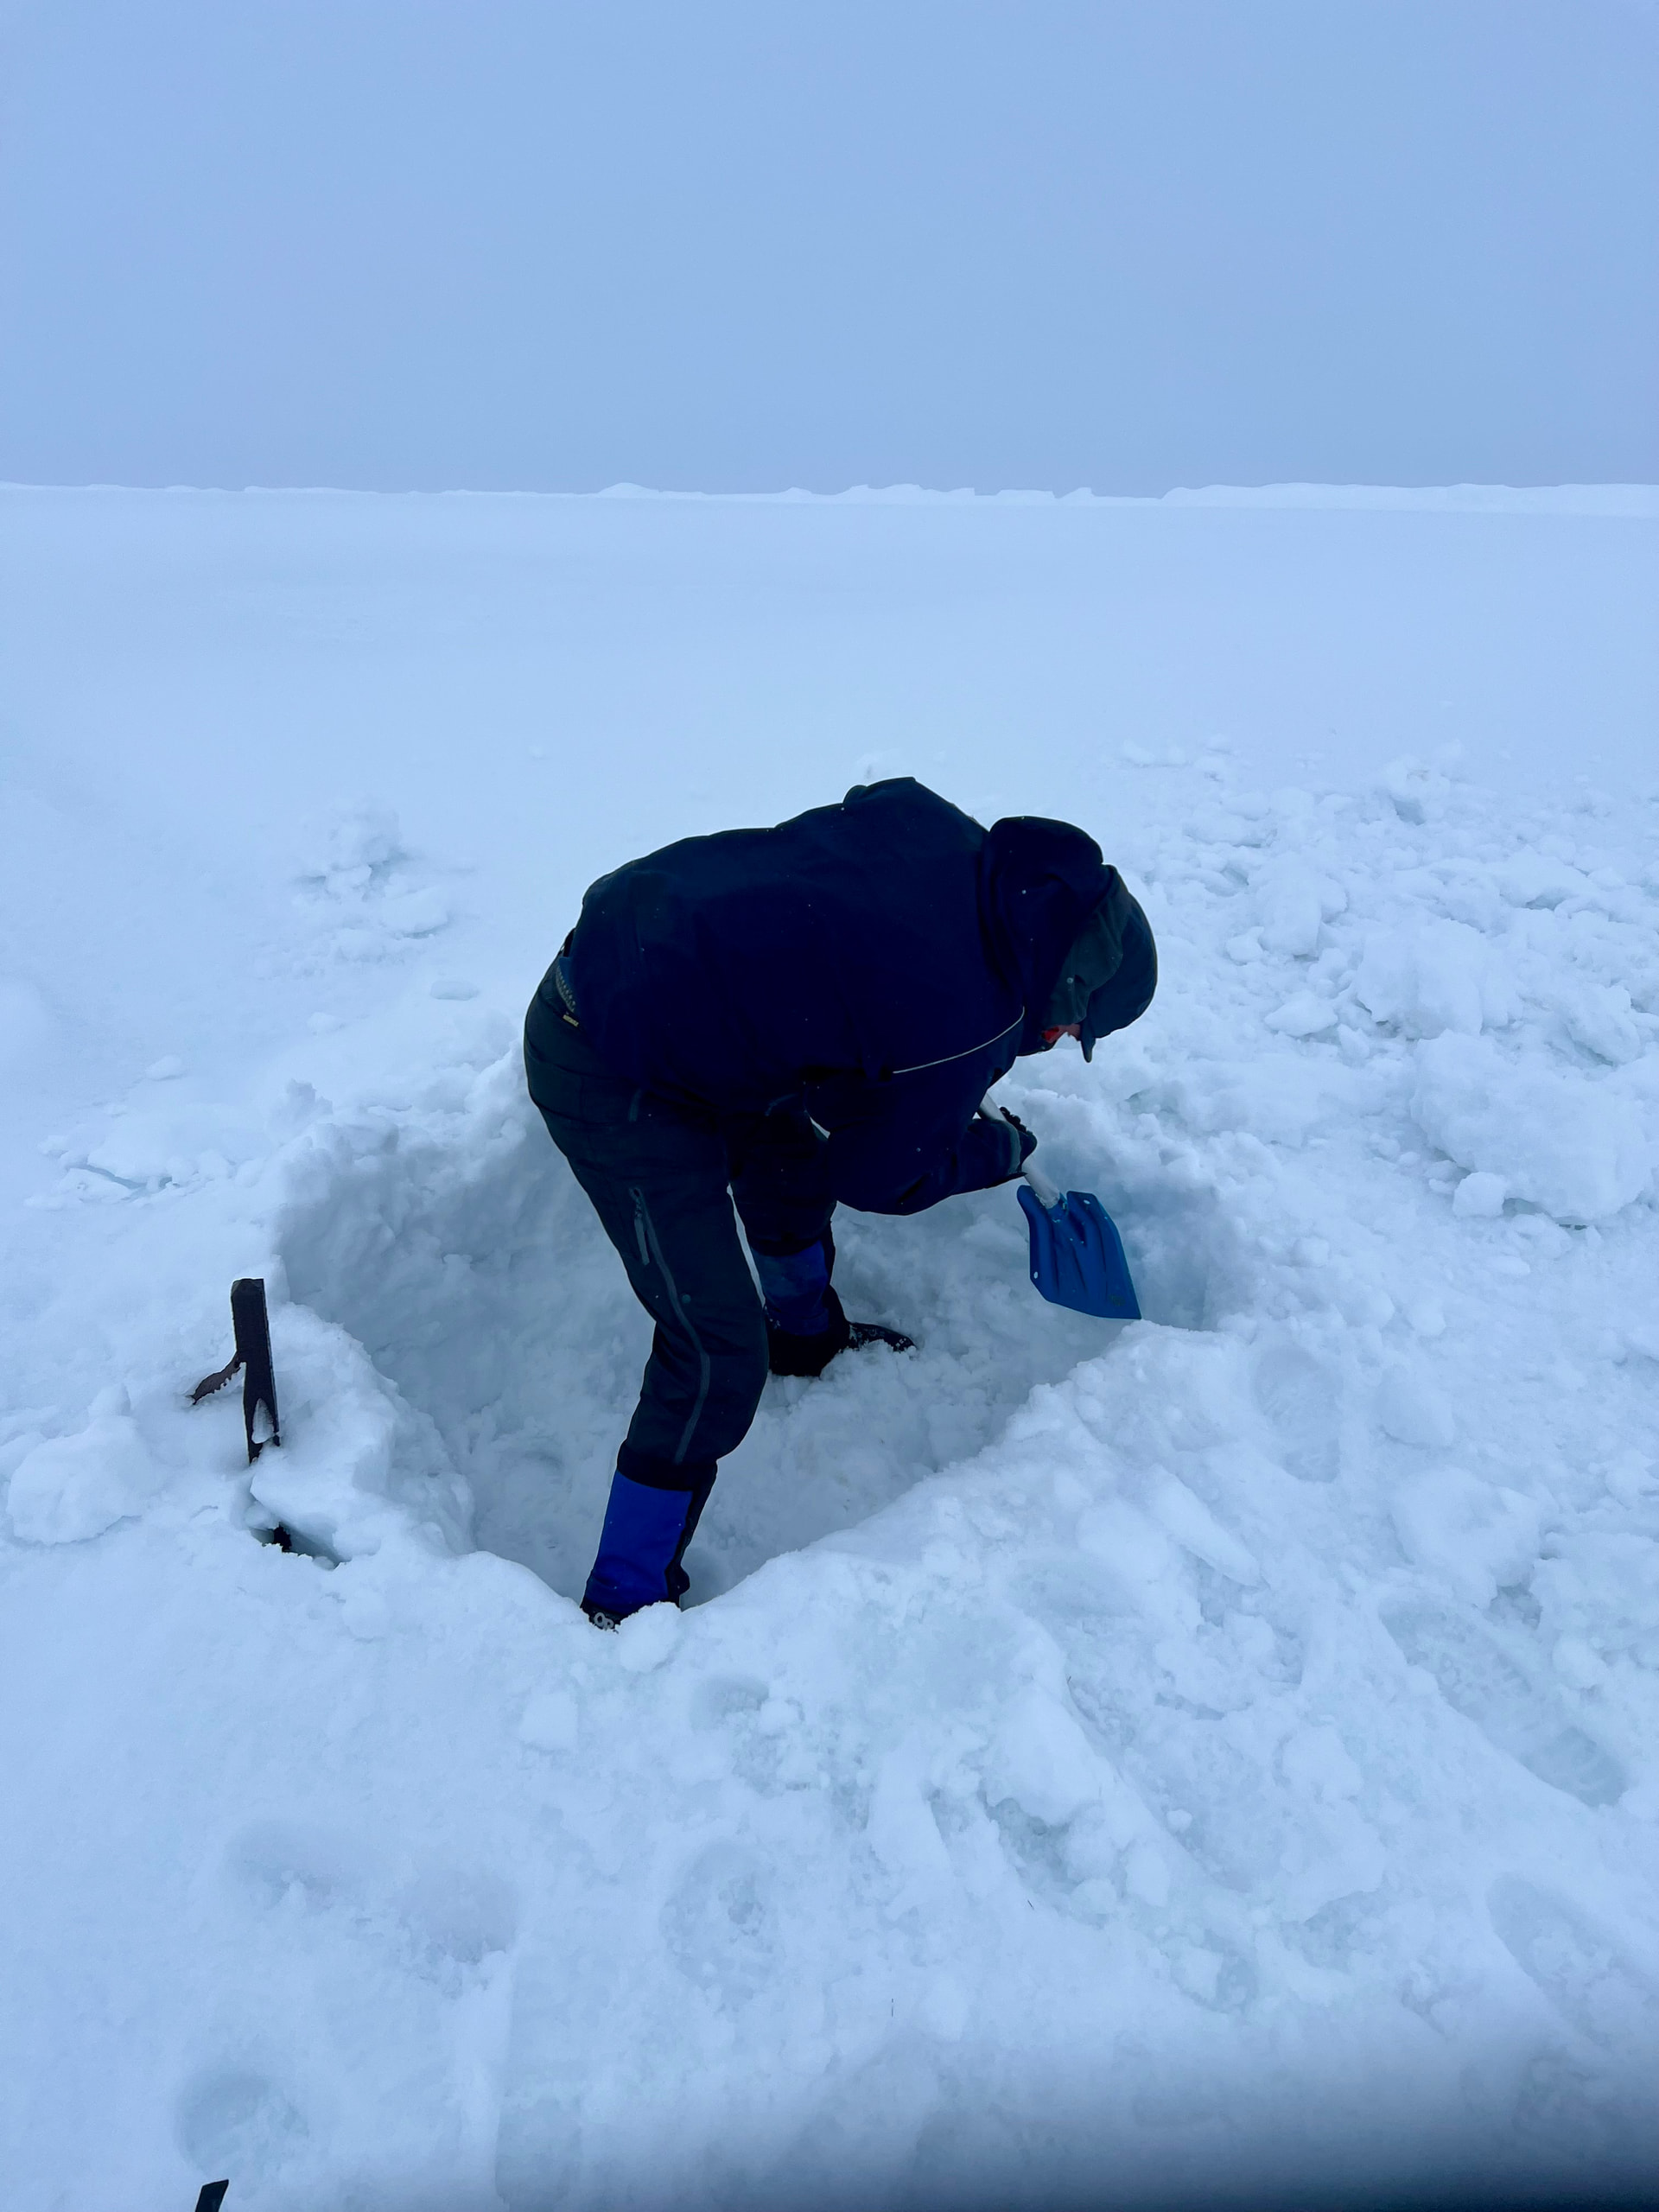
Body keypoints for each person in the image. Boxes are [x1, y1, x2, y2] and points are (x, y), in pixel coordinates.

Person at [524, 777, 1156, 1626]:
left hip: (665, 961)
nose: (1060, 1043)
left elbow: (873, 803)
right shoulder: (964, 1021)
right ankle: (623, 1597)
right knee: (713, 1351)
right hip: (607, 1056)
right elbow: (883, 1176)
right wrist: (994, 1145)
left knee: (786, 1164)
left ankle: (805, 1336)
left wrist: (910, 1056)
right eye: (1076, 1031)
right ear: (1066, 994)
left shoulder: (954, 838)